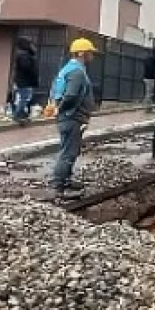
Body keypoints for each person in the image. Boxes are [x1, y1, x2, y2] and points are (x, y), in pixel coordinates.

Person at [49, 37, 99, 198]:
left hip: (69, 117)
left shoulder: (69, 69)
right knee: (68, 152)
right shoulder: (77, 72)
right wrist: (61, 109)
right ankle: (59, 187)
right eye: (91, 53)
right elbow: (70, 95)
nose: (93, 56)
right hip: (71, 117)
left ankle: (66, 181)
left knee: (72, 150)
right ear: (82, 53)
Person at [12, 37, 39, 125]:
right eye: (30, 44)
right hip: (24, 81)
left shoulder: (25, 54)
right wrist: (32, 69)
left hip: (25, 81)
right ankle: (18, 115)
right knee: (24, 98)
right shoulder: (23, 55)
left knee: (25, 98)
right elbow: (26, 67)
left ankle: (22, 114)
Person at [142, 46, 155, 111]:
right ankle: (148, 108)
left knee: (153, 93)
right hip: (150, 78)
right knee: (149, 93)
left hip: (154, 78)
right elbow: (150, 68)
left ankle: (150, 107)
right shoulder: (151, 58)